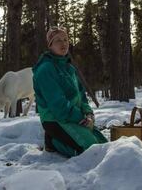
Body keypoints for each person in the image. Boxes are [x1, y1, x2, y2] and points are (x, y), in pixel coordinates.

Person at [32, 26, 108, 157]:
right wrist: (81, 117)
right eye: (58, 41)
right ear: (50, 45)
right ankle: (52, 142)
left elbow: (81, 97)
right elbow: (58, 106)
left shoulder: (69, 68)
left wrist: (88, 114)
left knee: (104, 145)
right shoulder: (46, 70)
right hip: (55, 119)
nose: (63, 44)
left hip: (74, 116)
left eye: (65, 39)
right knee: (91, 151)